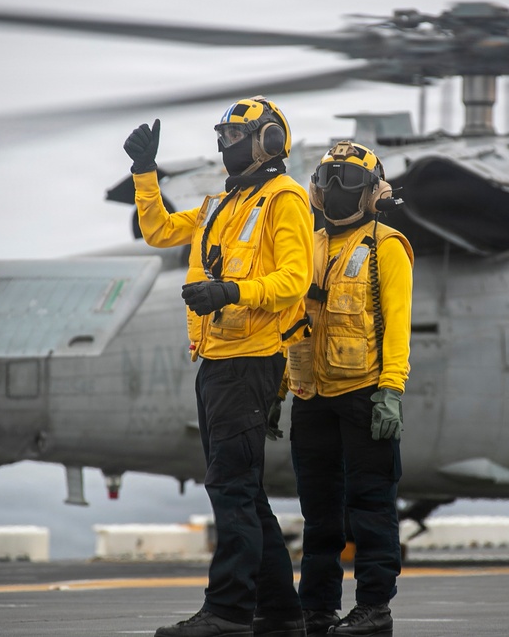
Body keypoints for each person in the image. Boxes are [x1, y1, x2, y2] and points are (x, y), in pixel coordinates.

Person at [124, 97, 313, 637]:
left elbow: (293, 281)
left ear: (268, 143)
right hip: (214, 362)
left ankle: (228, 612)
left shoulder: (286, 201)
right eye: (222, 136)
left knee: (229, 487)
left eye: (233, 136)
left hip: (250, 362)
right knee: (245, 491)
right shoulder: (218, 205)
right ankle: (281, 614)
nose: (222, 145)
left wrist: (229, 290)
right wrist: (144, 172)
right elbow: (159, 231)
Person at [282, 142, 413, 637]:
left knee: (372, 506)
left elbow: (398, 326)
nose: (336, 190)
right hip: (312, 398)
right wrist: (280, 393)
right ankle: (317, 608)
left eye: (349, 181)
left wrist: (391, 391)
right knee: (319, 515)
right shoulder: (310, 246)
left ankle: (374, 608)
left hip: (365, 395)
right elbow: (290, 323)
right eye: (328, 179)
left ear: (373, 191)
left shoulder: (387, 246)